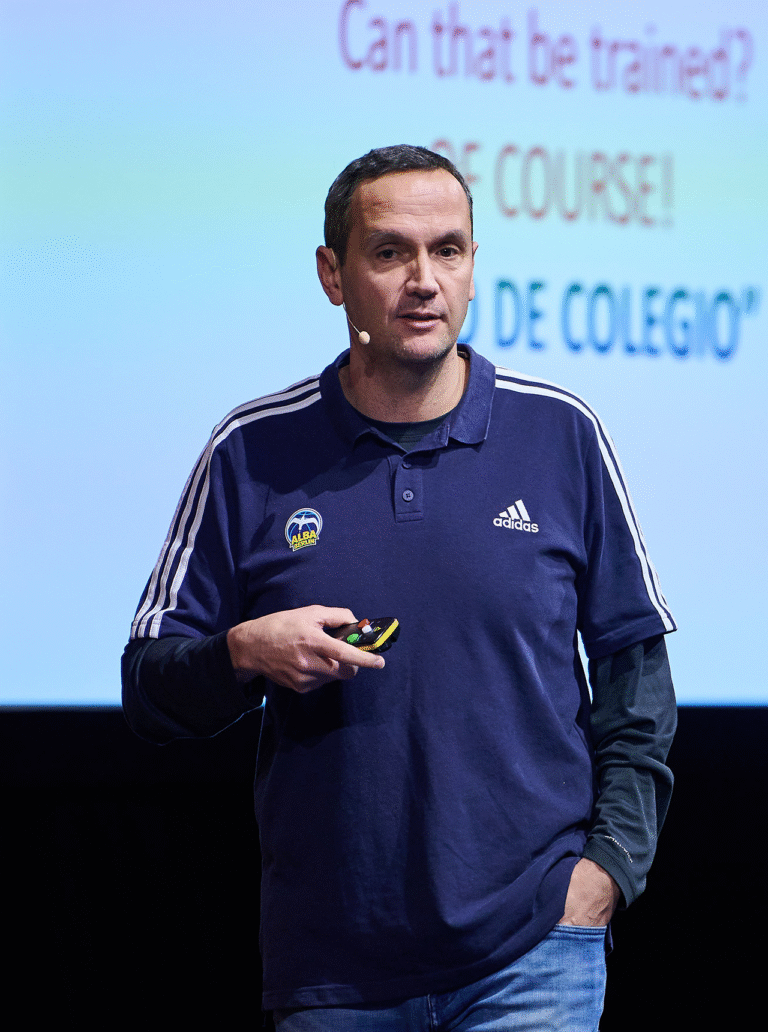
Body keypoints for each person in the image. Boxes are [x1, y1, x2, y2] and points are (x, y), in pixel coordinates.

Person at [122, 145, 677, 1031]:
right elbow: (148, 686)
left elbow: (635, 685)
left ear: (471, 267)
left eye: (448, 250)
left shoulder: (560, 434)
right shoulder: (251, 453)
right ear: (333, 275)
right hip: (333, 969)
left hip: (535, 953)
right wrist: (242, 653)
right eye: (390, 253)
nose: (424, 280)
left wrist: (606, 872)